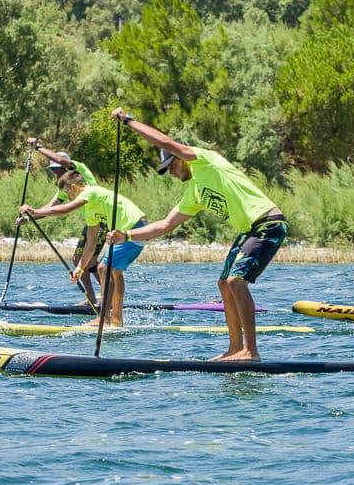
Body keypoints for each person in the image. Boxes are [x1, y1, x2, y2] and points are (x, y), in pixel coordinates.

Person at [105, 107, 287, 361]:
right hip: (249, 230)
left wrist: (128, 122)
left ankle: (251, 351)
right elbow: (165, 225)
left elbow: (165, 141)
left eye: (172, 165)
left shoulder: (204, 160)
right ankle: (235, 348)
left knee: (236, 281)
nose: (170, 171)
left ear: (182, 158)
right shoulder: (194, 192)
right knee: (224, 284)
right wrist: (127, 235)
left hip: (268, 223)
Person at [17, 170, 147, 328]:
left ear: (73, 187)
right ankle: (117, 320)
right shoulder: (89, 210)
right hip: (130, 231)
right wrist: (80, 267)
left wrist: (35, 211)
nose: (67, 196)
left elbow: (65, 209)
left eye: (67, 192)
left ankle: (105, 320)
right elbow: (91, 242)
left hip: (135, 228)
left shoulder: (91, 191)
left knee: (104, 268)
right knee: (114, 270)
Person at [27, 138, 102, 307]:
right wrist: (28, 218)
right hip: (92, 222)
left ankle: (105, 299)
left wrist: (38, 147)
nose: (55, 174)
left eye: (57, 170)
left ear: (66, 168)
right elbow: (51, 207)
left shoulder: (79, 171)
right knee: (84, 262)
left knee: (85, 261)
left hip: (102, 220)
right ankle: (94, 299)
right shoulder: (64, 188)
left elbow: (61, 160)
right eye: (53, 171)